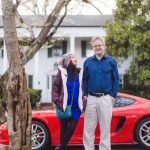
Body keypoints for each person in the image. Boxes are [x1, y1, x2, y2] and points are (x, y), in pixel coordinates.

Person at [83, 36, 119, 150]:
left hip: (106, 98)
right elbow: (85, 79)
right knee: (88, 129)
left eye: (99, 45)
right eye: (95, 46)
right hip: (91, 98)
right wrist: (85, 94)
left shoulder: (111, 61)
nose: (97, 47)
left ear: (104, 46)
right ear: (92, 47)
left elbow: (116, 79)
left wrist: (113, 95)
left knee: (105, 129)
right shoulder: (87, 62)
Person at [51, 53, 84, 150]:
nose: (75, 59)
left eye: (75, 57)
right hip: (64, 105)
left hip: (76, 107)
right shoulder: (62, 73)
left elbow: (83, 88)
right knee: (63, 129)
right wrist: (56, 100)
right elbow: (55, 88)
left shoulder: (80, 74)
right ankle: (63, 148)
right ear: (68, 61)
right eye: (73, 58)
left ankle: (61, 147)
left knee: (72, 128)